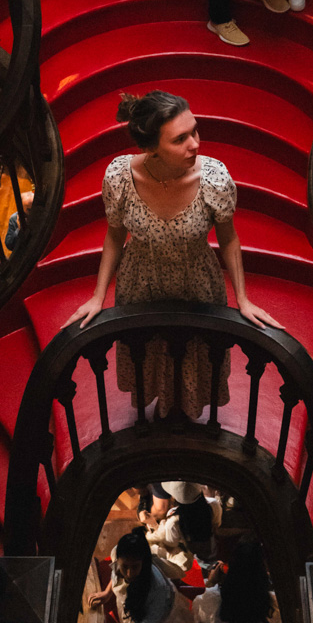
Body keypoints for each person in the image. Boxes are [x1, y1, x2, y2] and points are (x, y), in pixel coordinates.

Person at [63, 91, 280, 416]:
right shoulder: (120, 177)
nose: (195, 144)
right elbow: (114, 236)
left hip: (197, 286)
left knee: (194, 356)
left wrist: (243, 299)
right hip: (140, 286)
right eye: (180, 139)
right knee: (149, 354)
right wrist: (98, 297)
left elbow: (229, 239)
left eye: (194, 130)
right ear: (151, 148)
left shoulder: (214, 179)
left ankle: (185, 413)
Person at [85, 527, 196, 623]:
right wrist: (107, 593)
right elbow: (116, 571)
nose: (129, 574)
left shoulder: (157, 589)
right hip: (133, 605)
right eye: (125, 566)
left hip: (156, 617)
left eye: (135, 567)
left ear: (144, 563)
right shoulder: (117, 552)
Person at [144, 481, 221, 576]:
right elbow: (216, 527)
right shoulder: (214, 504)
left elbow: (170, 547)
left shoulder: (173, 522)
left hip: (191, 561)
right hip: (213, 553)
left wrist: (154, 526)